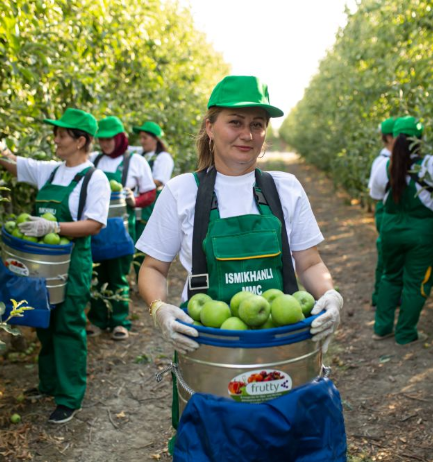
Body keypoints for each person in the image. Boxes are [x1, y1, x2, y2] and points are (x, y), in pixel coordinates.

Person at [135, 75, 344, 454]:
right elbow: (152, 268)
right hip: (212, 355)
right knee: (214, 447)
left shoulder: (285, 188)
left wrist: (329, 294)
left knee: (284, 445)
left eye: (257, 125)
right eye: (235, 122)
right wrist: (159, 309)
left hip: (281, 350)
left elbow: (309, 262)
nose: (247, 134)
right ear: (210, 127)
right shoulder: (183, 191)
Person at [0, 106, 110, 423]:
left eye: (61, 134)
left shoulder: (95, 179)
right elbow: (10, 162)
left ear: (81, 140)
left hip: (73, 263)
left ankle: (70, 397)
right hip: (42, 265)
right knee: (45, 323)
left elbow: (95, 224)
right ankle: (48, 384)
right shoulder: (52, 171)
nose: (55, 139)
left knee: (68, 326)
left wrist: (53, 228)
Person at [369, 116, 433, 344]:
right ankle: (406, 333)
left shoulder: (383, 167)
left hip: (391, 231)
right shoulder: (431, 165)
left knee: (390, 276)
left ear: (395, 139)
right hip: (422, 234)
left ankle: (382, 327)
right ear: (419, 141)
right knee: (416, 282)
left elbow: (376, 197)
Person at [87, 116, 157, 340]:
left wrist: (134, 200)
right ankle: (97, 319)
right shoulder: (92, 160)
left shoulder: (135, 162)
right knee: (97, 274)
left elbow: (149, 192)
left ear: (120, 139)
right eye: (102, 140)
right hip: (95, 227)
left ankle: (119, 321)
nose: (105, 144)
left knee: (118, 275)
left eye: (110, 140)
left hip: (122, 229)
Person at [131, 121, 174, 281]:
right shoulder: (140, 156)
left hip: (152, 204)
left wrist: (138, 184)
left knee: (147, 244)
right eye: (141, 138)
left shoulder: (163, 158)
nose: (142, 141)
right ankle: (139, 279)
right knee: (136, 241)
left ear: (155, 139)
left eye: (145, 138)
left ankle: (147, 279)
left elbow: (159, 181)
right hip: (139, 202)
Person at [369, 117, 396, 309]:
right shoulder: (382, 162)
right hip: (386, 211)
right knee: (386, 257)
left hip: (395, 214)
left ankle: (387, 296)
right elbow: (374, 192)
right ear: (387, 138)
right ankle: (380, 296)